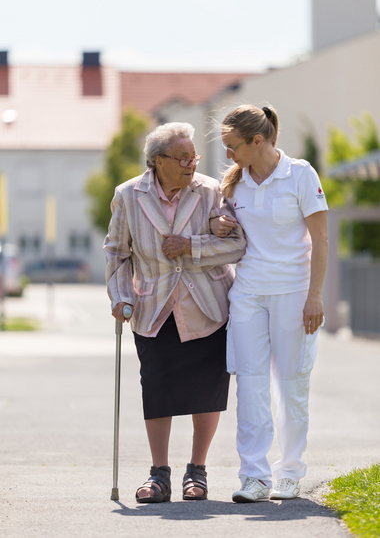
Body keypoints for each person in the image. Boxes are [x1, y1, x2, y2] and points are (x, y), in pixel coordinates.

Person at [103, 122, 246, 503]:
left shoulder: (212, 191)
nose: (191, 163)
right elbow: (117, 254)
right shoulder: (129, 195)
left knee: (208, 390)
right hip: (153, 307)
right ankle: (159, 474)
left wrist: (191, 246)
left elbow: (237, 245)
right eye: (183, 158)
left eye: (193, 156)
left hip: (208, 305)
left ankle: (197, 471)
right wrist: (119, 297)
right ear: (158, 161)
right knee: (157, 387)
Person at [211, 104, 328, 502]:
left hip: (295, 294)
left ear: (257, 141)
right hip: (248, 294)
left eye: (233, 146)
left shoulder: (300, 174)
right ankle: (254, 477)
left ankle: (290, 472)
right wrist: (218, 224)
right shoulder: (234, 183)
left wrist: (314, 296)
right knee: (250, 383)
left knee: (292, 384)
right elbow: (222, 225)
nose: (228, 155)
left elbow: (321, 240)